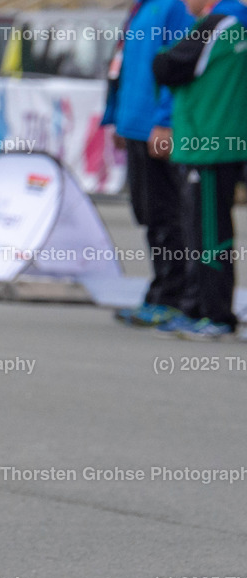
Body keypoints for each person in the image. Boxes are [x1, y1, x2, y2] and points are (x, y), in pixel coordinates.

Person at [153, 0, 247, 340]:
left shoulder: (219, 23)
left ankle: (215, 314)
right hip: (215, 141)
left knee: (208, 234)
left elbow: (167, 66)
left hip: (208, 144)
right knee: (204, 232)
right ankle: (201, 308)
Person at [102, 0, 194, 328]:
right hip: (135, 125)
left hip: (157, 127)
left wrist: (166, 120)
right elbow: (121, 64)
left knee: (169, 214)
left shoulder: (175, 6)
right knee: (149, 214)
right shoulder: (140, 8)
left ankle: (176, 295)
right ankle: (161, 291)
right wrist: (115, 117)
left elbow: (182, 62)